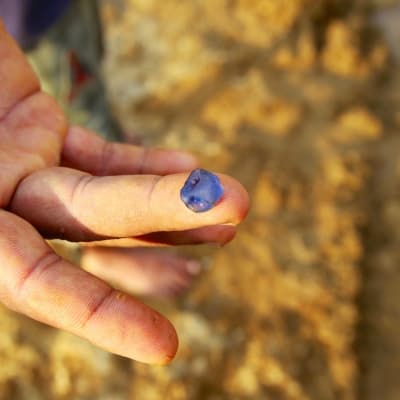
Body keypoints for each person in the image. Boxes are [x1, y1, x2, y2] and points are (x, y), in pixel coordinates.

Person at [0, 20, 249, 364]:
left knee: (86, 78)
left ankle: (106, 140)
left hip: (51, 17)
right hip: (28, 28)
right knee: (76, 103)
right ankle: (104, 252)